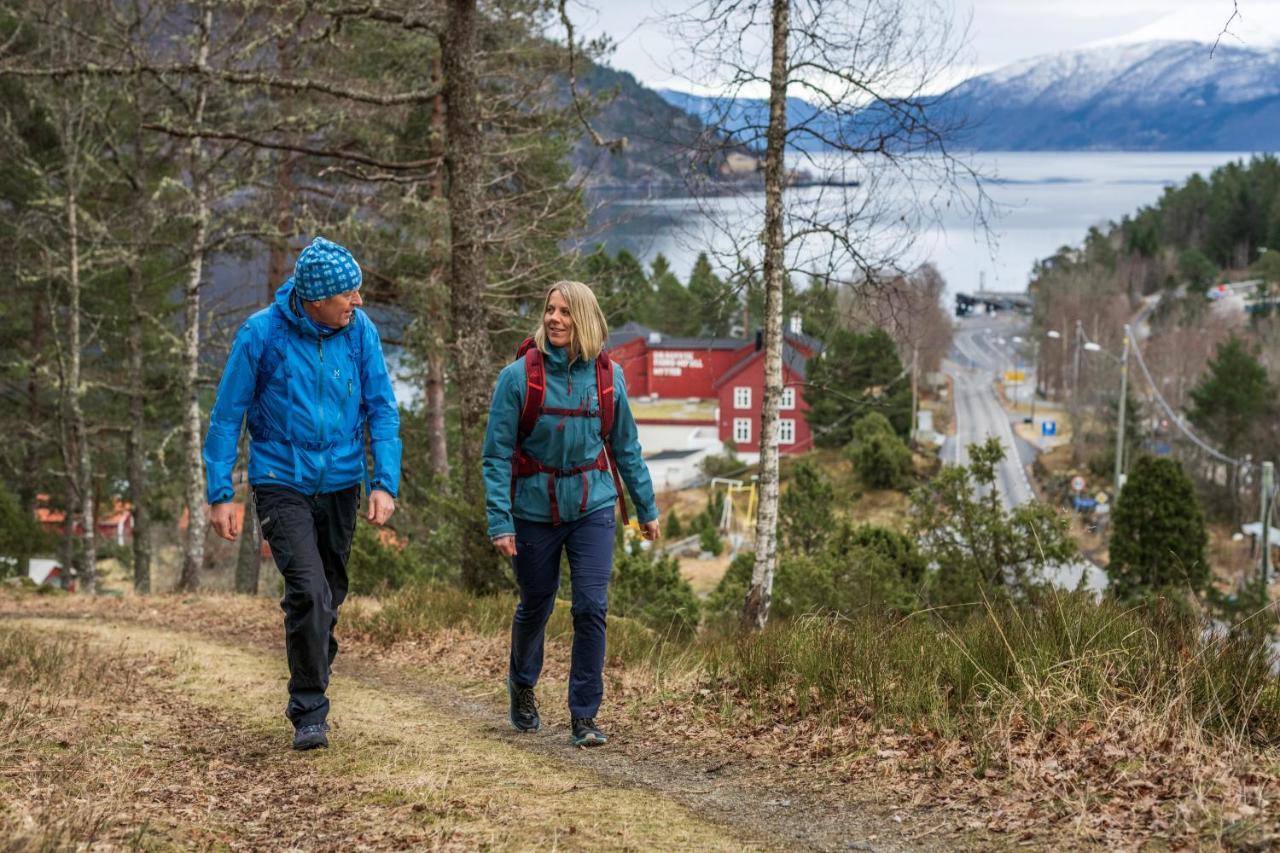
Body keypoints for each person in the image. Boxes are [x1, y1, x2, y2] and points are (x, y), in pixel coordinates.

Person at [203, 236, 401, 751]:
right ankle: (309, 707)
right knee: (309, 592)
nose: (357, 302)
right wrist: (221, 493)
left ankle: (313, 656)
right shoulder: (260, 335)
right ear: (316, 298)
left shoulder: (360, 334)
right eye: (348, 295)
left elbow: (382, 410)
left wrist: (384, 483)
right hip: (280, 480)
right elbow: (226, 418)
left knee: (328, 595)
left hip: (340, 481)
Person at [483, 280, 660, 748]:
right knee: (537, 602)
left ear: (584, 320)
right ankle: (522, 685)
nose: (554, 319)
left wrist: (646, 506)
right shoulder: (518, 378)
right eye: (549, 310)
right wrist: (500, 520)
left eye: (564, 312)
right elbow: (496, 455)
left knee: (591, 607)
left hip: (594, 504)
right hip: (533, 509)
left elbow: (626, 447)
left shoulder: (608, 379)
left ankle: (584, 716)